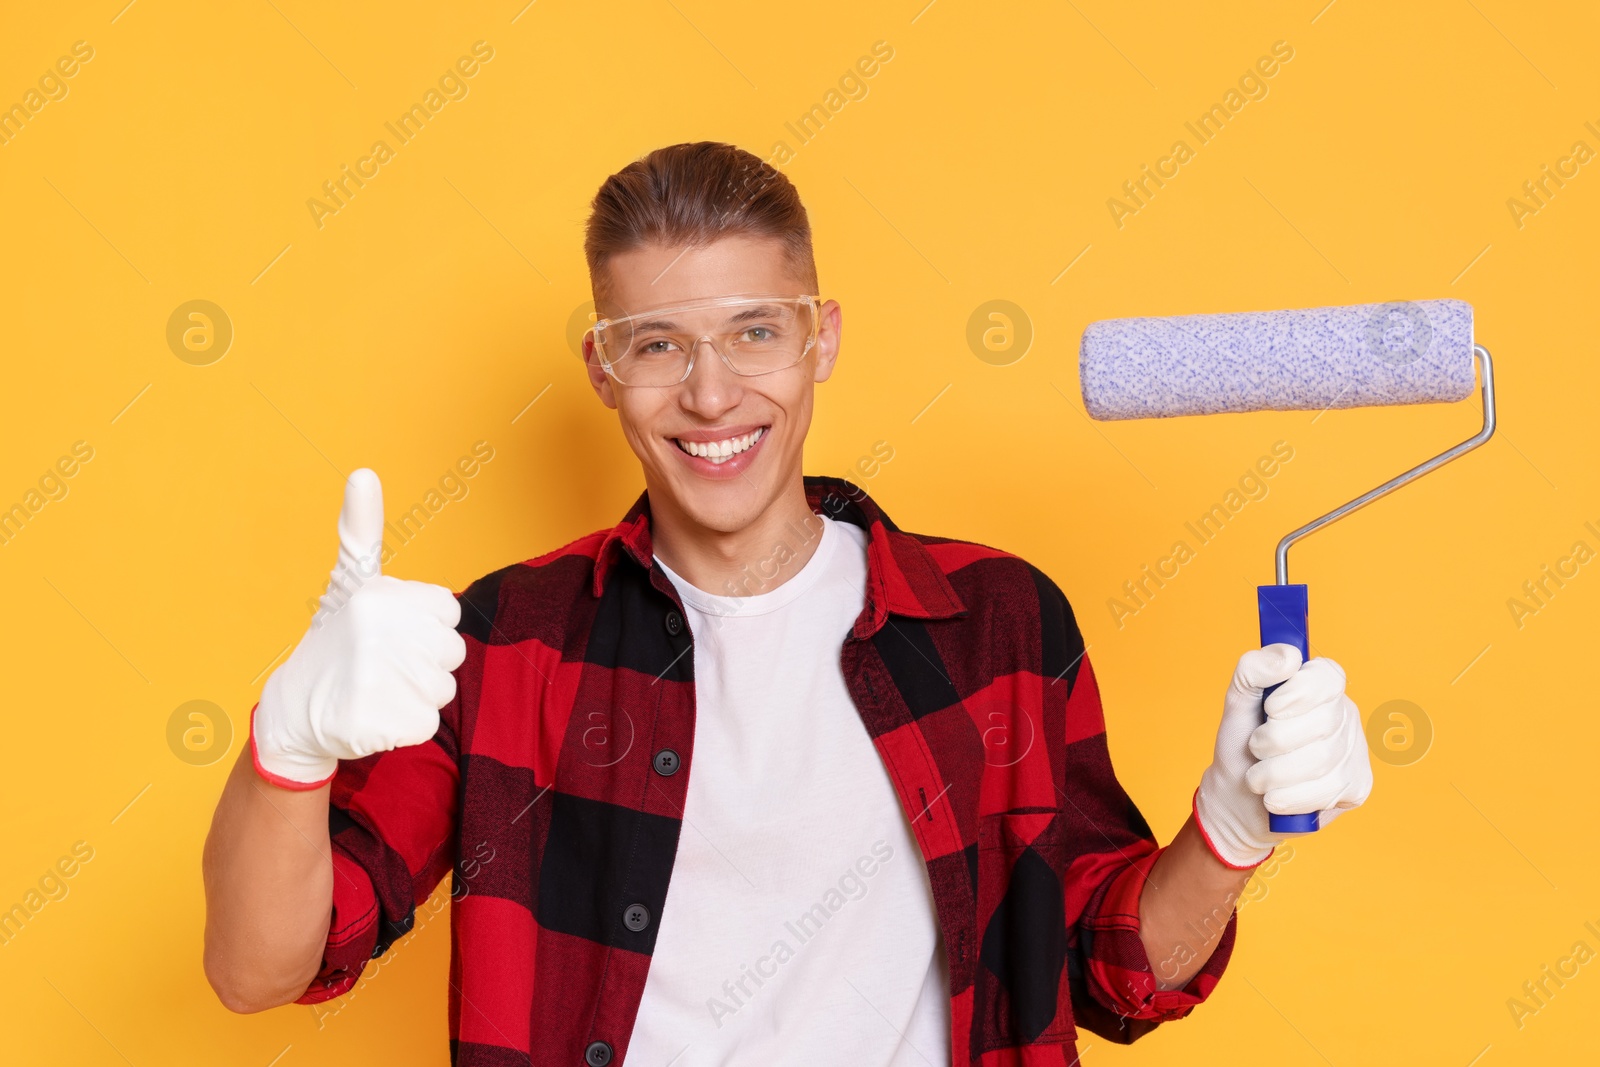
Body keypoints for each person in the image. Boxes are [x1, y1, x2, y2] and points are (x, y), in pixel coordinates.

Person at [201, 141, 1372, 1066]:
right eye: (656, 343)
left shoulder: (996, 625)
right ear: (604, 369)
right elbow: (261, 968)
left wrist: (1230, 829)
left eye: (755, 332)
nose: (711, 394)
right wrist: (286, 746)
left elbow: (1113, 972)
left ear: (822, 340)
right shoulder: (507, 641)